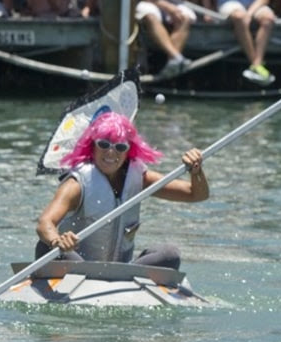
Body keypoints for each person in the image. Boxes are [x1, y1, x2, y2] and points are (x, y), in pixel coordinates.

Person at [35, 112, 209, 270]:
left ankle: (124, 275)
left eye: (120, 147)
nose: (111, 152)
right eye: (103, 144)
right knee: (46, 247)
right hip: (78, 266)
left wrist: (196, 171)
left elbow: (196, 194)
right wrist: (57, 240)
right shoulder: (76, 184)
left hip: (120, 271)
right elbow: (45, 222)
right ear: (92, 146)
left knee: (170, 254)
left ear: (129, 151)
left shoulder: (140, 177)